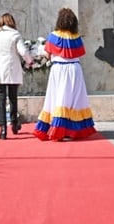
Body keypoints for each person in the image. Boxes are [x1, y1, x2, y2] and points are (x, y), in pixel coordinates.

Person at [33, 8, 96, 141]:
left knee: (58, 98)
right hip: (74, 69)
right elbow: (79, 53)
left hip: (59, 70)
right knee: (75, 100)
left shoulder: (53, 36)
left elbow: (47, 55)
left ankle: (58, 130)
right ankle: (73, 130)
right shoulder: (76, 37)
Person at [0, 13, 33, 139]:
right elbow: (23, 51)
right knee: (13, 97)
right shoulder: (15, 34)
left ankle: (3, 129)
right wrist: (30, 61)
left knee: (1, 98)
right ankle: (14, 123)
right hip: (12, 67)